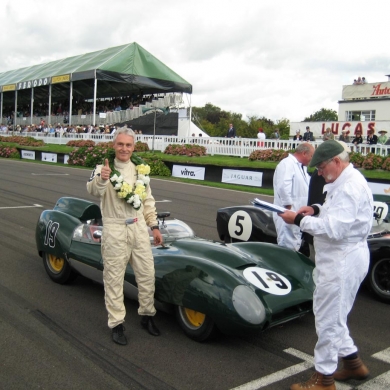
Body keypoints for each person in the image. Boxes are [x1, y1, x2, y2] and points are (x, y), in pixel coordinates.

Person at [278, 140, 373, 390]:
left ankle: (324, 379)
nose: (318, 172)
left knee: (328, 320)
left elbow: (334, 229)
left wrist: (297, 219)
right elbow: (335, 213)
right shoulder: (343, 180)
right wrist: (316, 209)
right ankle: (353, 364)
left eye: (321, 167)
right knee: (331, 315)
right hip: (340, 258)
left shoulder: (349, 186)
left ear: (337, 162)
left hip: (342, 259)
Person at [86, 126, 163, 346]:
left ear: (133, 147)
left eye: (128, 145)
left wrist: (154, 226)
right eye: (120, 144)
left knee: (147, 274)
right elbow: (91, 189)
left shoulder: (141, 170)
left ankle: (147, 315)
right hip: (115, 228)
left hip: (139, 229)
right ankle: (117, 323)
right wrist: (102, 178)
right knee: (114, 279)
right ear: (113, 145)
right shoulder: (103, 167)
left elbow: (147, 201)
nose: (124, 148)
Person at [272, 143, 314, 251]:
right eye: (311, 156)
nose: (311, 160)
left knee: (296, 245)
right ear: (304, 153)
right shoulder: (287, 163)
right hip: (288, 214)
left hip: (298, 215)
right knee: (287, 247)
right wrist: (288, 207)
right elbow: (283, 186)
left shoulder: (301, 167)